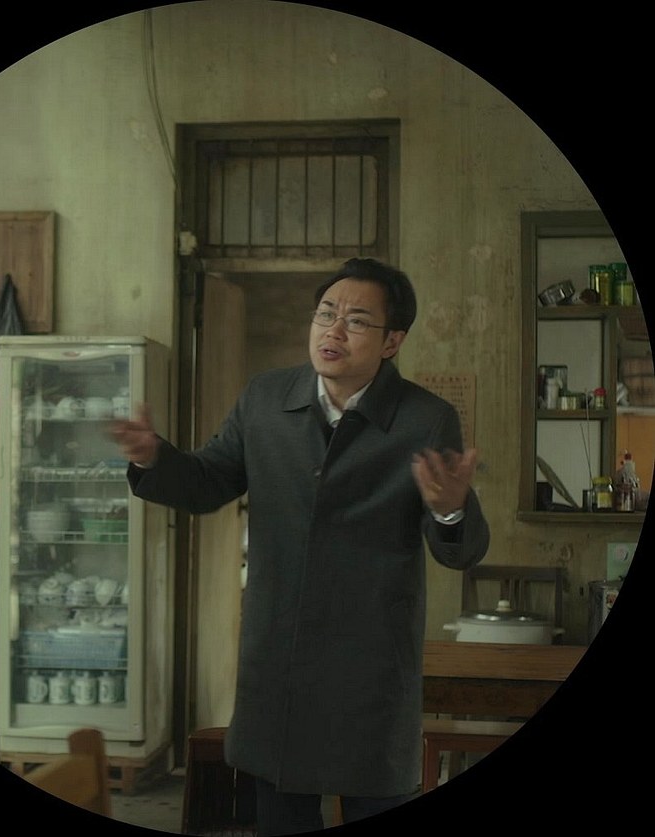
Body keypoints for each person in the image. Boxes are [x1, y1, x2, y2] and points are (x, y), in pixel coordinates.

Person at [112, 258, 490, 834]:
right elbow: (209, 480)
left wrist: (449, 509)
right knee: (280, 816)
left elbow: (458, 552)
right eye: (326, 314)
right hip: (278, 661)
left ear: (392, 341)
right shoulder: (266, 398)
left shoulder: (425, 419)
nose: (333, 330)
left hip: (369, 667)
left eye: (356, 321)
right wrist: (153, 458)